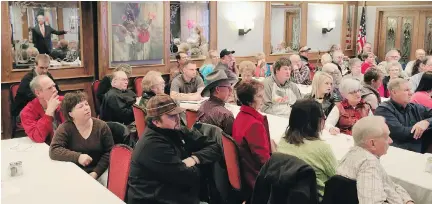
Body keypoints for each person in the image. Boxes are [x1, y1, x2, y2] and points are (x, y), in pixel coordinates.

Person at [126, 94, 221, 204]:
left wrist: (194, 159)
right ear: (155, 122)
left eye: (177, 114)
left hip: (175, 194)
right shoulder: (153, 145)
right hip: (154, 199)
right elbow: (187, 178)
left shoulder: (177, 130)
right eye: (171, 116)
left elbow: (215, 147)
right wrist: (202, 163)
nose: (177, 118)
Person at [337, 116, 414, 204]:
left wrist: (407, 200)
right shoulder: (369, 164)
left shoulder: (354, 153)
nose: (391, 141)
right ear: (372, 143)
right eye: (387, 137)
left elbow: (389, 184)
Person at [49, 91, 114, 183]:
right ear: (71, 114)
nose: (86, 108)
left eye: (86, 104)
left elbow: (110, 152)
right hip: (76, 171)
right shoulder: (65, 128)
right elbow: (54, 150)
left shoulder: (101, 126)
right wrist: (78, 157)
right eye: (80, 106)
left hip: (100, 170)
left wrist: (95, 172)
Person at [278, 99, 337, 197]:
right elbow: (337, 177)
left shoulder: (284, 139)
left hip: (285, 195)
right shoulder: (321, 148)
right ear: (317, 120)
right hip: (314, 198)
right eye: (323, 116)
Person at [232, 80, 271, 192]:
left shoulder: (240, 116)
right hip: (255, 177)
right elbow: (264, 161)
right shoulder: (255, 124)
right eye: (259, 96)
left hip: (246, 171)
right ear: (249, 100)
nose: (263, 100)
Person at [375, 78, 432, 152]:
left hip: (418, 149)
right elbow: (402, 133)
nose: (411, 93)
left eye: (410, 90)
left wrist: (426, 122)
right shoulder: (383, 110)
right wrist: (423, 127)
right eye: (406, 90)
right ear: (394, 92)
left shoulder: (414, 107)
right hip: (398, 152)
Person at [12, 54, 60, 118]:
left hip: (43, 106)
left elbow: (57, 91)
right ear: (35, 65)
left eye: (46, 68)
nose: (44, 71)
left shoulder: (48, 75)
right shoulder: (27, 78)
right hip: (24, 110)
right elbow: (33, 98)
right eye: (41, 68)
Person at [20, 75, 64, 144]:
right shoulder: (27, 112)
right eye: (49, 88)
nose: (55, 90)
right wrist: (49, 112)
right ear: (38, 93)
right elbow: (38, 137)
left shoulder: (64, 101)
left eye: (54, 86)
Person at [197, 70, 235, 135]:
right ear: (217, 89)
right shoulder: (226, 115)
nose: (231, 91)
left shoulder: (203, 104)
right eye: (228, 88)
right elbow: (231, 142)